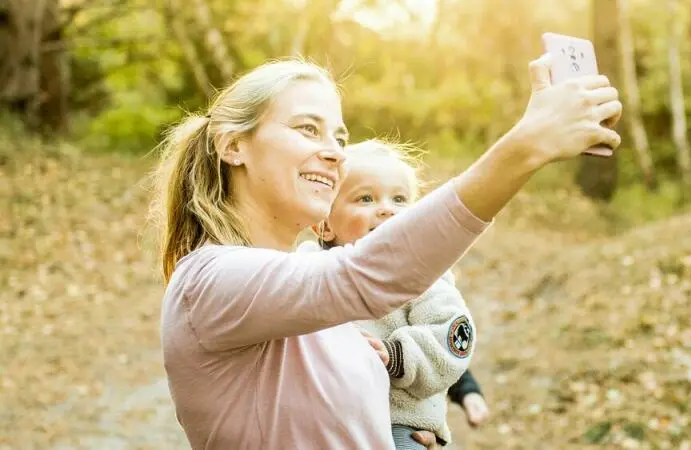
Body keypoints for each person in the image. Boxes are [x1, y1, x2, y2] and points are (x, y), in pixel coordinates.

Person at [151, 55, 622, 449]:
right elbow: (365, 276)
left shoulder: (305, 290)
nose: (336, 153)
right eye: (307, 129)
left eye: (339, 137)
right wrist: (526, 147)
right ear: (234, 146)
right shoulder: (209, 280)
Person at [299, 139, 476, 449]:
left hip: (398, 421)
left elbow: (452, 336)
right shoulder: (307, 269)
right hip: (324, 423)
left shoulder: (423, 274)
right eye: (365, 198)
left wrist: (395, 356)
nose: (386, 209)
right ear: (325, 226)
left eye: (399, 199)